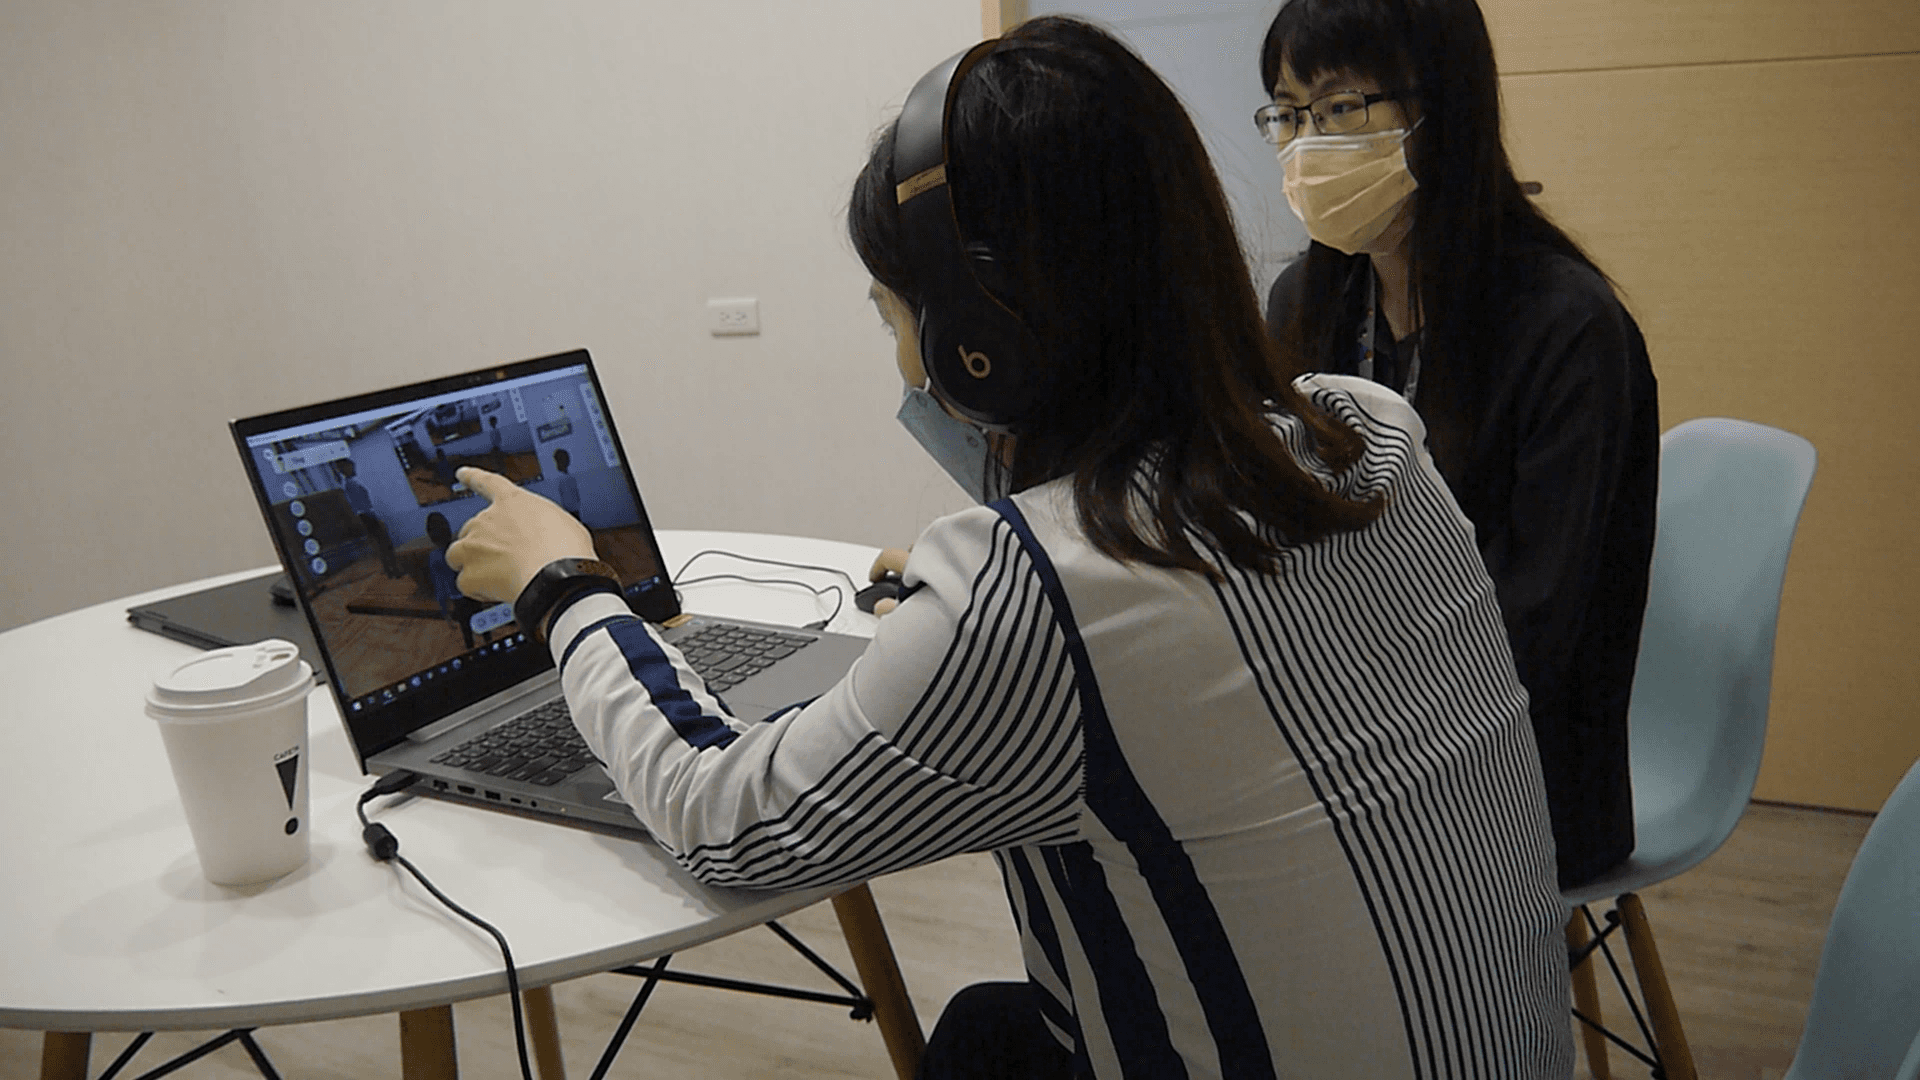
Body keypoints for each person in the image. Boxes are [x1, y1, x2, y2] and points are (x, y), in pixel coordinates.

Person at [448, 17, 1570, 1078]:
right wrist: (990, 587)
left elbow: (720, 818)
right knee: (987, 1033)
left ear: (981, 346)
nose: (906, 363)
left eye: (895, 316)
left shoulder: (1039, 594)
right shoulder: (1368, 431)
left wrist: (565, 585)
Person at [1255, 0, 1658, 890]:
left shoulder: (1567, 328)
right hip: (1349, 733)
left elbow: (1535, 626)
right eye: (1287, 113)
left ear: (1441, 108)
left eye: (1341, 108)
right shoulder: (1304, 305)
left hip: (1515, 776)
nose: (1306, 146)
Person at [335, 457, 401, 578]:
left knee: (382, 545)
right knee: (385, 544)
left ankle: (390, 570)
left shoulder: (351, 484)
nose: (353, 468)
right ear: (344, 469)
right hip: (367, 517)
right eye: (350, 466)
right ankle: (393, 570)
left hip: (366, 517)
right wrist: (376, 519)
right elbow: (361, 507)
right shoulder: (350, 485)